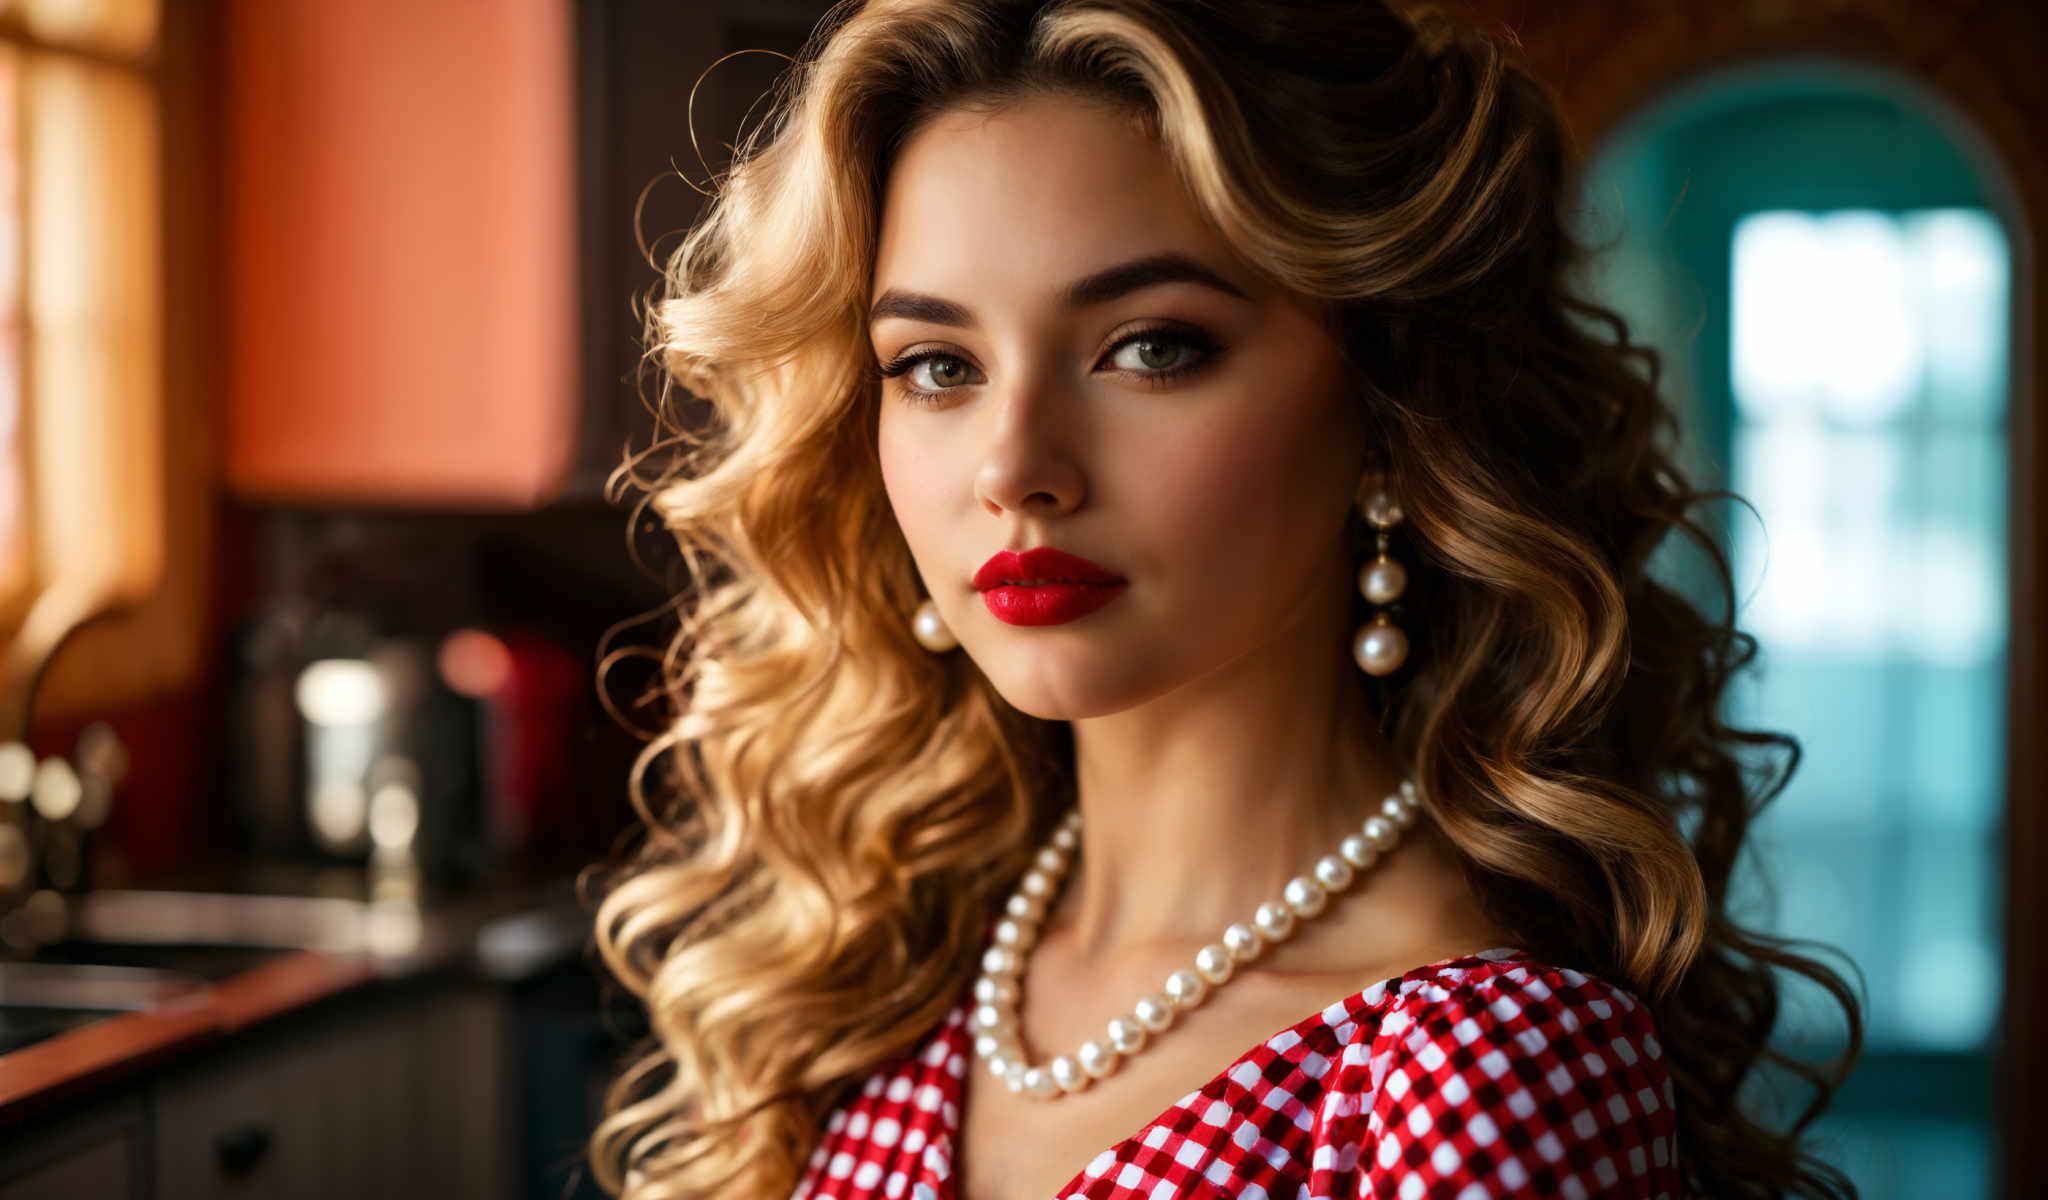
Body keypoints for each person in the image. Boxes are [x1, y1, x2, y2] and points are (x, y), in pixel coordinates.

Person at [585, 1, 1865, 1197]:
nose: (1014, 468)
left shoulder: (1474, 1069)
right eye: (935, 365)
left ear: (1383, 408)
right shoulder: (890, 963)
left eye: (1152, 346)